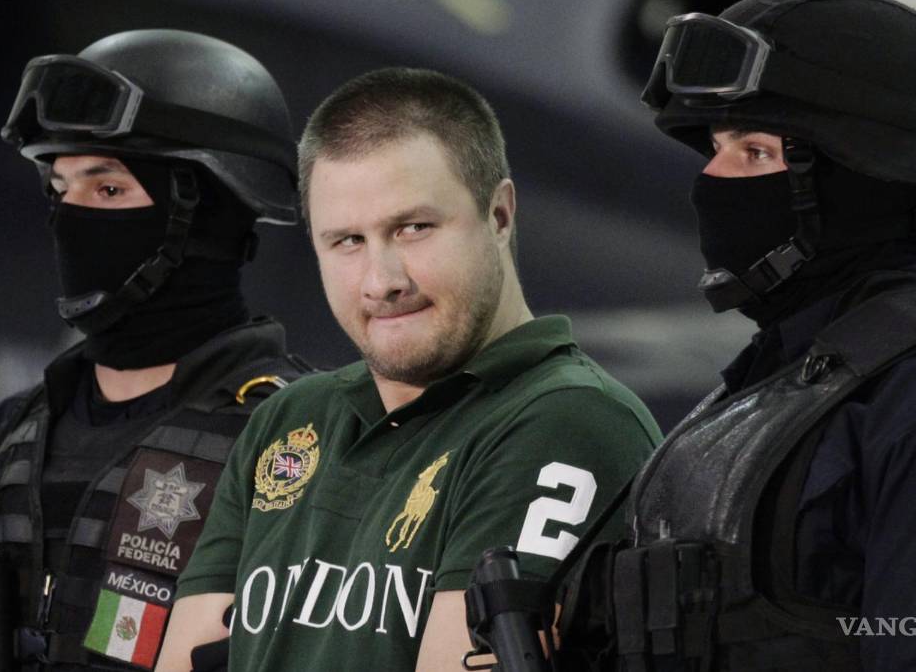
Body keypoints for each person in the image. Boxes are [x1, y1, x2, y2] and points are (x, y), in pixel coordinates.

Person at [552, 0, 916, 671]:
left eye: (754, 151)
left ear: (858, 175)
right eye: (717, 149)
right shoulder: (772, 386)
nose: (711, 180)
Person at [156, 67, 662, 671]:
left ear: (499, 215)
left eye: (413, 228)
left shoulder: (569, 421)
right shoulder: (288, 418)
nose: (382, 281)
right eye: (347, 241)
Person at [0, 30, 312, 671]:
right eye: (59, 188)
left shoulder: (302, 441)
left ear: (208, 211)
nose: (70, 218)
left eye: (108, 189)